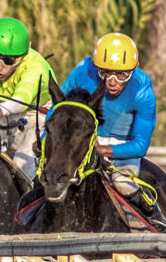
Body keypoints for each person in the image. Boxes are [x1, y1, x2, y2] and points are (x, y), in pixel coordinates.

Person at [61, 32, 157, 207]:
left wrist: (103, 150)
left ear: (133, 70)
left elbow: (141, 145)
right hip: (85, 143)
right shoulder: (83, 71)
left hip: (123, 150)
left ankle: (153, 214)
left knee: (123, 184)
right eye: (105, 73)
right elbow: (58, 107)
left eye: (121, 75)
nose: (111, 81)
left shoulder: (142, 89)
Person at [0, 17, 57, 181]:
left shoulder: (36, 67)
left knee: (20, 164)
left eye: (9, 60)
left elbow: (21, 97)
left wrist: (0, 110)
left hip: (34, 113)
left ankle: (28, 199)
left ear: (22, 58)